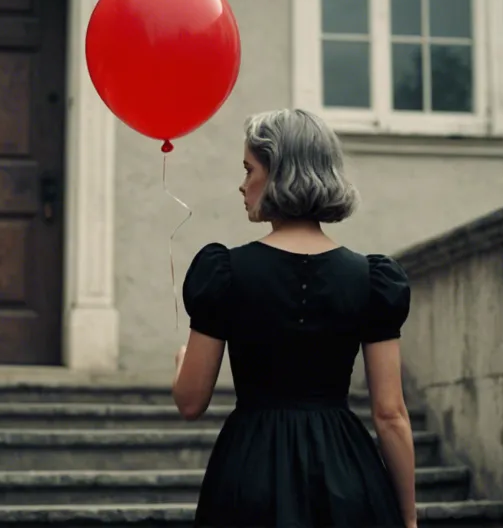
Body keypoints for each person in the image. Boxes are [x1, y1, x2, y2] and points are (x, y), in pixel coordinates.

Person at [171, 109, 417, 528]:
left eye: (249, 169)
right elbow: (390, 413)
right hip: (345, 475)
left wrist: (181, 363)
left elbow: (190, 401)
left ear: (279, 173)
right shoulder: (372, 280)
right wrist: (409, 520)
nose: (242, 183)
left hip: (249, 475)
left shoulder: (225, 273)